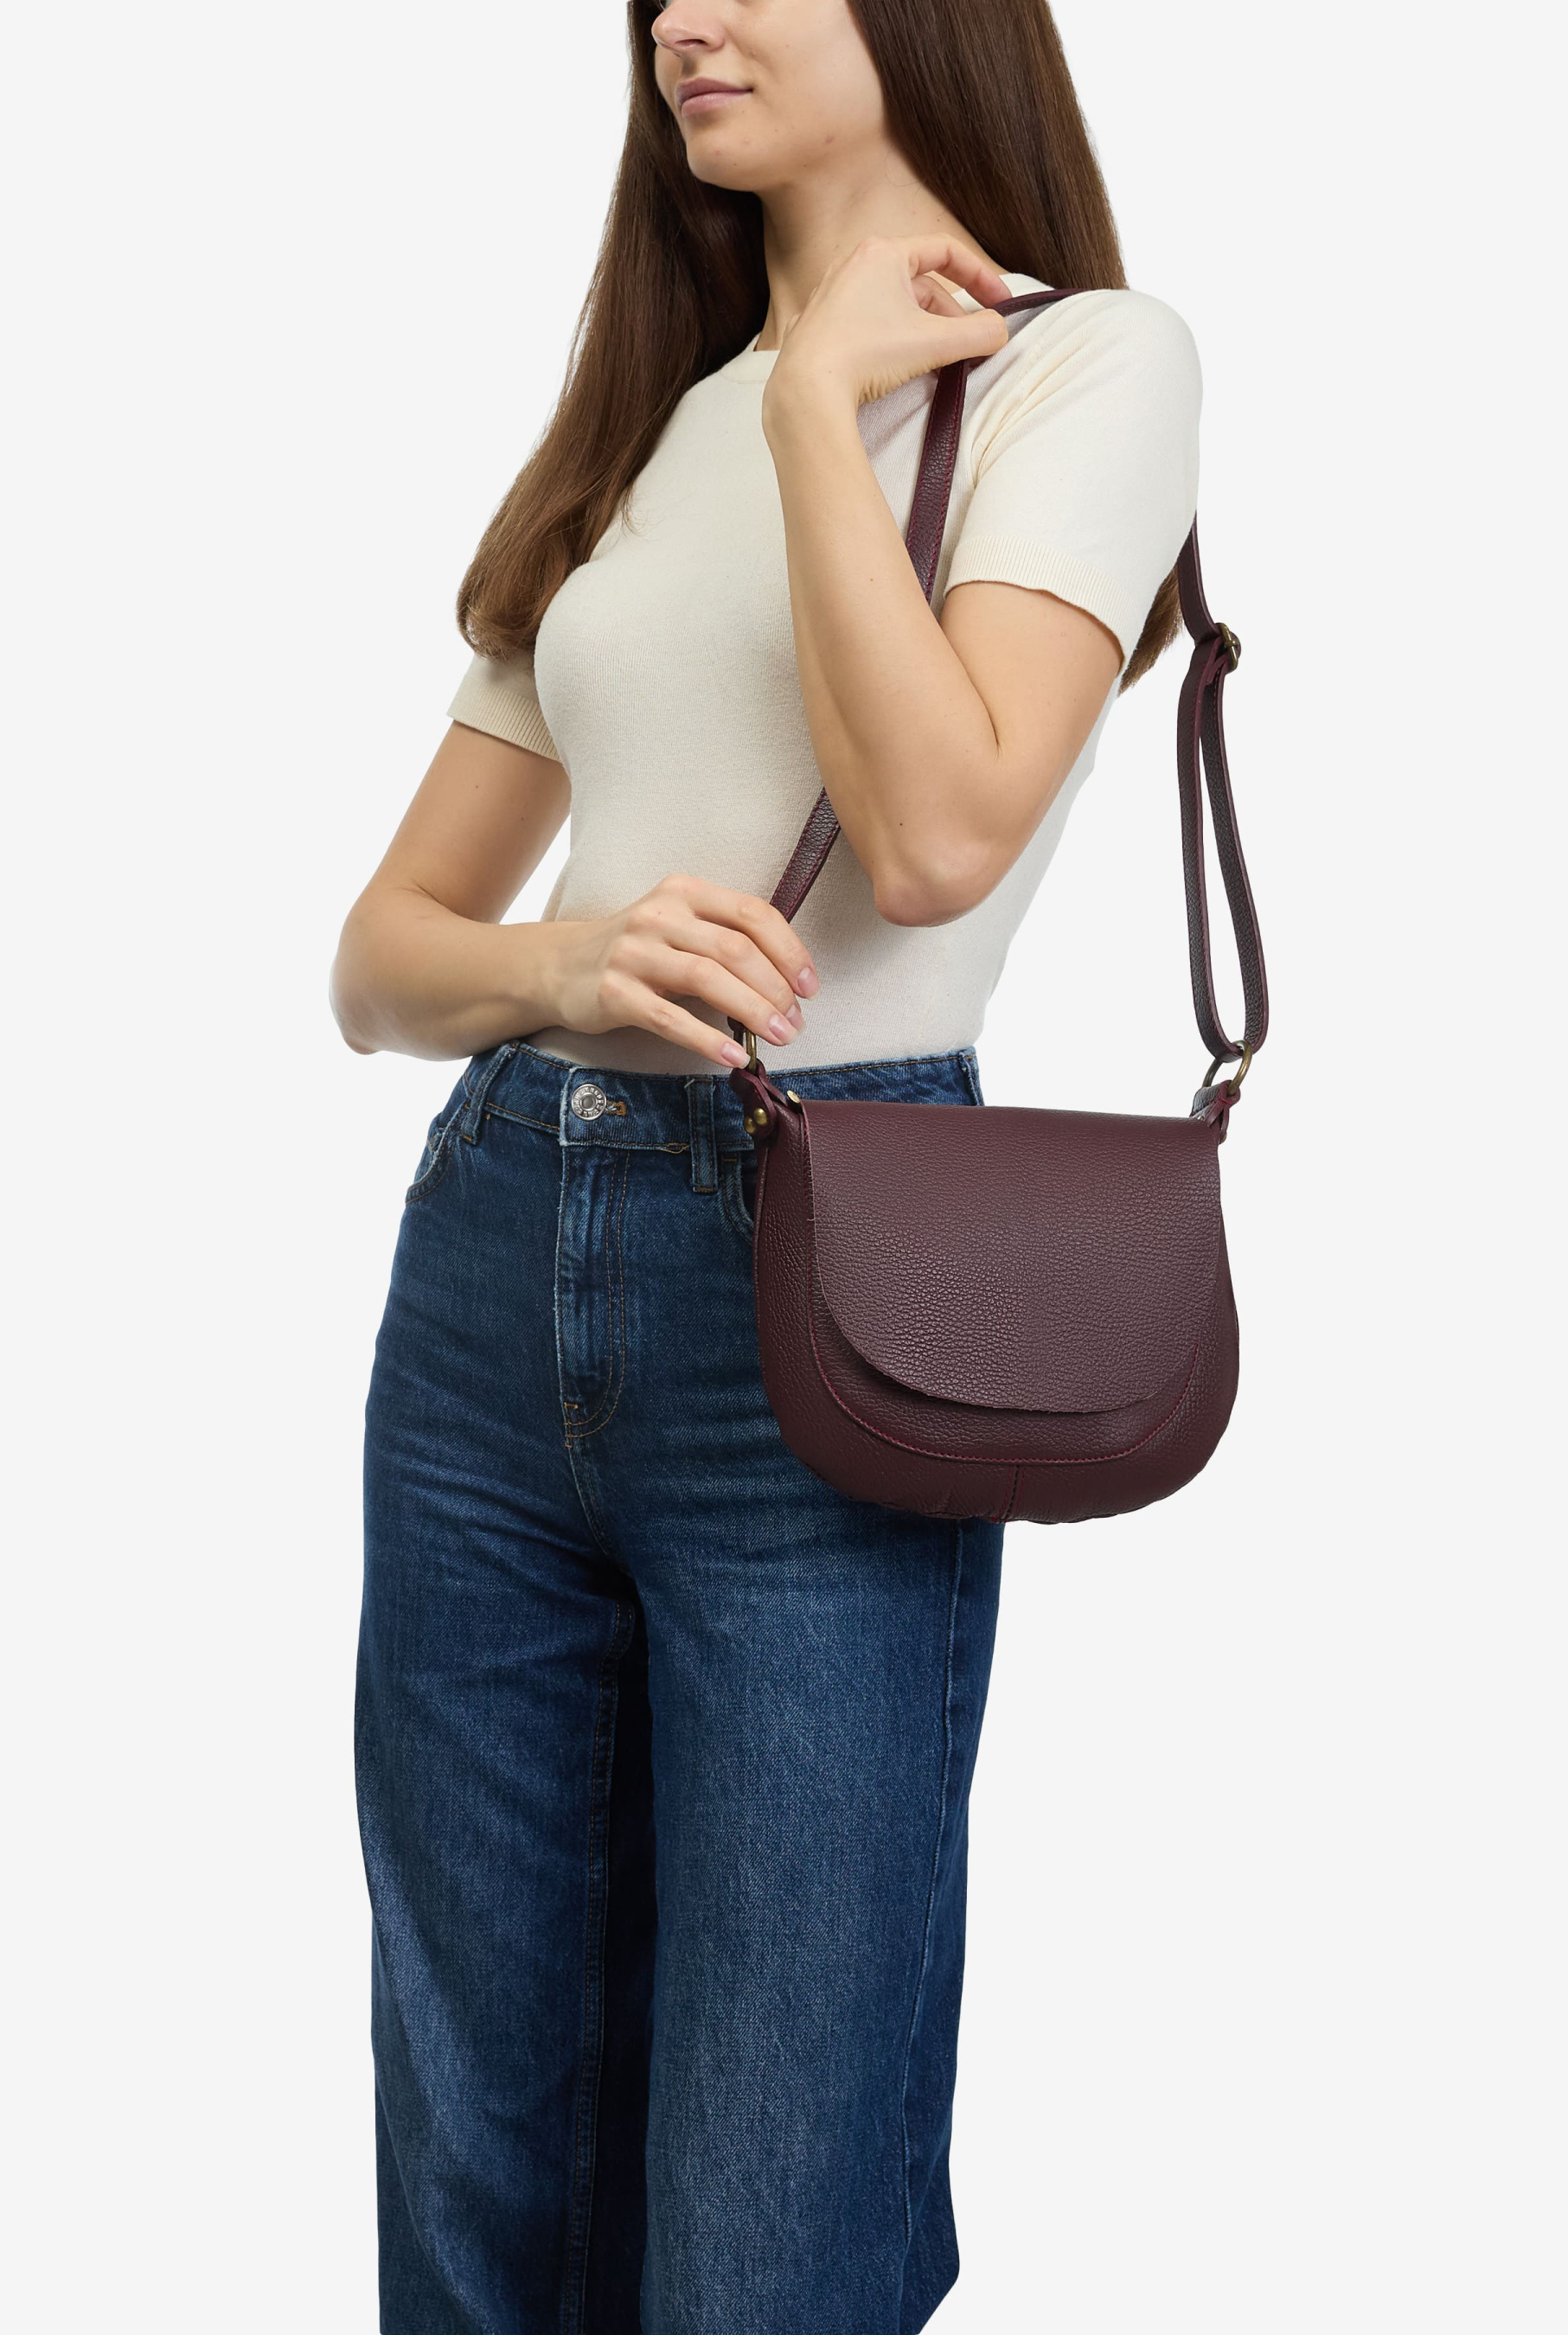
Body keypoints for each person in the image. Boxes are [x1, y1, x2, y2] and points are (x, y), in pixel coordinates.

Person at [329, 2, 1201, 2326]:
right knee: (476, 2146)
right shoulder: (644, 419)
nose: (677, 21)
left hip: (826, 1287)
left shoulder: (1080, 368)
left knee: (771, 2193)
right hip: (490, 1259)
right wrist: (564, 957)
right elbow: (382, 960)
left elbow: (933, 838)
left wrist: (825, 404)